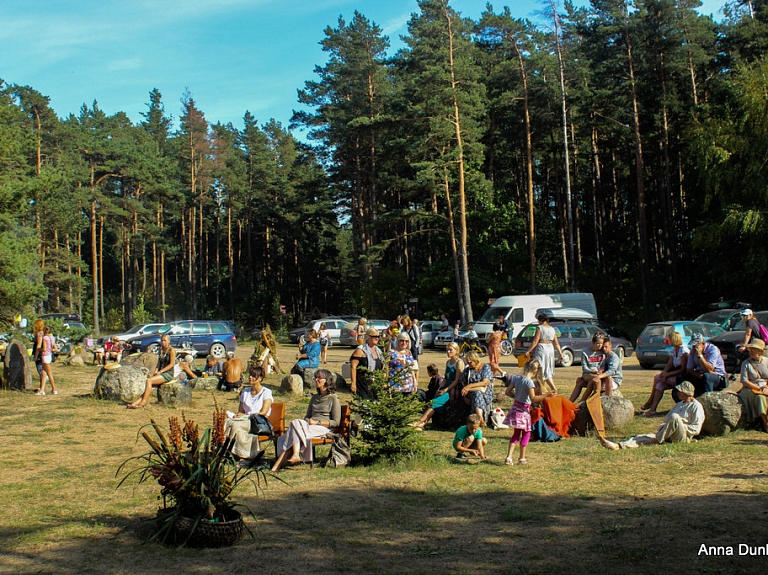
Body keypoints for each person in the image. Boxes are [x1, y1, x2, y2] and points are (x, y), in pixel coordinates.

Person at [598, 381, 704, 450]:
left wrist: (677, 426)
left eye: (680, 391)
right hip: (667, 434)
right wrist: (665, 427)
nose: (678, 393)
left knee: (675, 417)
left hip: (682, 436)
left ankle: (657, 440)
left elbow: (696, 429)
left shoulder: (696, 406)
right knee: (640, 437)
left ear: (687, 393)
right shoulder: (679, 404)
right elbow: (668, 420)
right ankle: (618, 446)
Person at [271, 369, 340, 472]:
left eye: (319, 378)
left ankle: (284, 461)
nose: (316, 380)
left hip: (324, 429)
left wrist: (317, 422)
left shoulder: (333, 398)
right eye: (315, 377)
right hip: (310, 427)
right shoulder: (314, 398)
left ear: (327, 381)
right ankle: (287, 460)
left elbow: (336, 422)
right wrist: (308, 421)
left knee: (295, 426)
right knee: (296, 429)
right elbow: (307, 416)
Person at [503, 359, 557, 465]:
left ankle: (509, 457)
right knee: (526, 433)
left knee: (516, 434)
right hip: (523, 411)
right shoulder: (529, 382)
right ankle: (521, 458)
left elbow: (507, 392)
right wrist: (547, 395)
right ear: (535, 370)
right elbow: (533, 399)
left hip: (515, 408)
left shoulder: (516, 378)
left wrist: (517, 397)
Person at [225, 365, 274, 466]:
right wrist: (238, 416)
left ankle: (243, 456)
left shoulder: (266, 392)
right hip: (245, 419)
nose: (250, 378)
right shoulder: (245, 392)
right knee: (227, 422)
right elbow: (241, 411)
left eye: (254, 376)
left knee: (235, 426)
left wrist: (246, 416)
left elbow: (263, 412)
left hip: (257, 420)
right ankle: (226, 450)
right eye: (250, 375)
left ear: (260, 378)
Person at [410, 345, 464, 428]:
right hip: (446, 385)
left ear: (456, 351)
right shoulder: (448, 362)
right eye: (447, 350)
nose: (448, 352)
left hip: (453, 388)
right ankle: (423, 423)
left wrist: (446, 390)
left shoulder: (459, 362)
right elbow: (445, 378)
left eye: (450, 350)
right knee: (434, 401)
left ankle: (420, 421)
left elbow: (457, 380)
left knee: (435, 402)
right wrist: (439, 388)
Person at [640, 331, 689, 416]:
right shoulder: (674, 350)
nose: (668, 341)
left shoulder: (683, 351)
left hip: (680, 377)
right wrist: (664, 372)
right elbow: (669, 364)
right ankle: (653, 409)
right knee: (659, 385)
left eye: (669, 339)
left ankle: (650, 401)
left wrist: (667, 375)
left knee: (657, 378)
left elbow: (682, 369)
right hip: (673, 374)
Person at [128, 334, 178, 408]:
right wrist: (155, 371)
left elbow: (171, 364)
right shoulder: (161, 349)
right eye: (162, 340)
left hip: (168, 373)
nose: (163, 342)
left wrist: (160, 372)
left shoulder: (171, 350)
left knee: (149, 381)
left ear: (169, 341)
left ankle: (143, 401)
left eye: (165, 340)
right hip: (161, 373)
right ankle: (138, 401)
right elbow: (158, 363)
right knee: (151, 386)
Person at [526, 313, 563, 393]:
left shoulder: (539, 328)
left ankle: (549, 388)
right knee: (547, 369)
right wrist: (560, 353)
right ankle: (543, 388)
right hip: (550, 348)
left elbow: (535, 341)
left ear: (540, 320)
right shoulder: (552, 329)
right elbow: (556, 343)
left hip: (542, 348)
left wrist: (529, 351)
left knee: (540, 368)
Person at [738, 339, 768, 432]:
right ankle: (765, 423)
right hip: (750, 388)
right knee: (760, 397)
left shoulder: (767, 361)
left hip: (765, 387)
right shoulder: (746, 363)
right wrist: (758, 388)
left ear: (760, 352)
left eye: (753, 349)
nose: (751, 351)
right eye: (750, 349)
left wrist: (766, 387)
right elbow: (744, 381)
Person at [460, 351, 494, 424]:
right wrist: (465, 397)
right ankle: (481, 419)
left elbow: (485, 382)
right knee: (477, 393)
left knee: (477, 393)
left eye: (470, 362)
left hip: (485, 392)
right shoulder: (467, 370)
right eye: (467, 363)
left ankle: (479, 418)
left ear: (476, 360)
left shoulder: (485, 367)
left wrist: (469, 386)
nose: (468, 364)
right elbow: (463, 384)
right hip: (471, 393)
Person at [569, 332, 605, 402]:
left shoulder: (602, 352)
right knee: (596, 380)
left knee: (593, 382)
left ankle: (591, 401)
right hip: (588, 374)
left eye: (601, 344)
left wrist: (601, 371)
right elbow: (584, 368)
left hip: (599, 374)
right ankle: (575, 402)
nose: (599, 346)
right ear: (593, 342)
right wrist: (592, 371)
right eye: (598, 343)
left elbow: (603, 365)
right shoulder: (585, 352)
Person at [349, 328, 383, 399]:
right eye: (374, 336)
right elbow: (353, 367)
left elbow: (383, 366)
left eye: (378, 336)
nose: (377, 338)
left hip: (376, 383)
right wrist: (353, 383)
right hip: (363, 383)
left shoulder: (379, 351)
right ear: (368, 337)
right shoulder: (360, 350)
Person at [35, 326, 58, 396]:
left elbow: (44, 349)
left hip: (45, 356)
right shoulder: (52, 338)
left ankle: (54, 389)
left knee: (49, 373)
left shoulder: (45, 338)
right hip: (49, 355)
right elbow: (55, 348)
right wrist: (50, 349)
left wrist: (39, 349)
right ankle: (42, 390)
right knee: (43, 373)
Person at [400, 316, 421, 382]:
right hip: (407, 346)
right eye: (403, 322)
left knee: (415, 362)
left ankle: (416, 378)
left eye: (405, 322)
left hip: (413, 345)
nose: (404, 323)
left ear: (408, 321)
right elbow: (402, 335)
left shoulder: (413, 326)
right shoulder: (404, 328)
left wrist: (416, 346)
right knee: (408, 361)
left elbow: (417, 336)